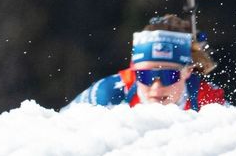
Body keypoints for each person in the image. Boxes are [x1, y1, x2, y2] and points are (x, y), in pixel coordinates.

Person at [68, 14, 225, 110]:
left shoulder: (208, 101)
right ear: (133, 70)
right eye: (145, 75)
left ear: (188, 71)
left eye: (169, 75)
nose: (156, 87)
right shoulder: (107, 95)